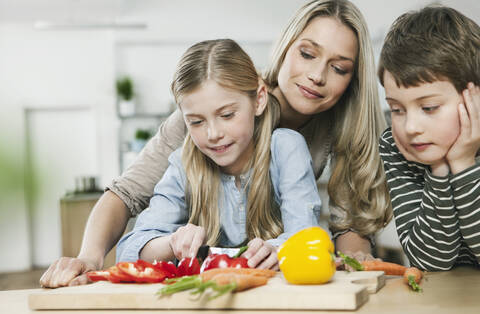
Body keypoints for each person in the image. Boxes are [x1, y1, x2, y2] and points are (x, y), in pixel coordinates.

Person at [40, 0, 391, 287]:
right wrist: (89, 257)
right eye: (307, 54)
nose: (317, 75)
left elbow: (342, 227)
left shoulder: (319, 135)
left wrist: (350, 259)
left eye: (339, 68)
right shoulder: (200, 124)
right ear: (285, 49)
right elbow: (126, 194)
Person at [115, 39, 321, 269]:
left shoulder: (286, 148)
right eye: (196, 121)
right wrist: (172, 243)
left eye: (227, 115)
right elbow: (128, 252)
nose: (213, 134)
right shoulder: (183, 164)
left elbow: (306, 237)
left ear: (259, 100)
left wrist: (278, 249)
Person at [378, 6, 480, 270]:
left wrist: (464, 164)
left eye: (429, 108)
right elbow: (429, 261)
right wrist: (440, 170)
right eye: (397, 110)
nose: (411, 127)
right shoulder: (395, 145)